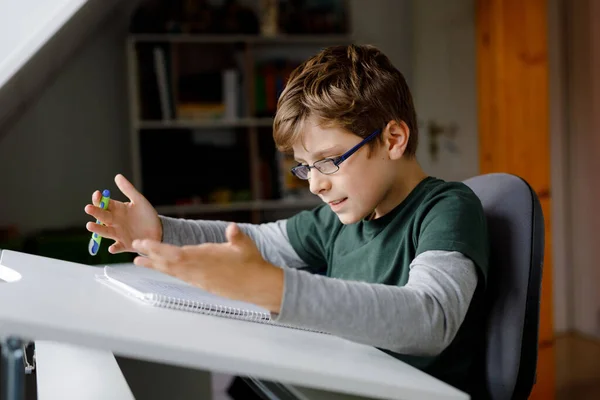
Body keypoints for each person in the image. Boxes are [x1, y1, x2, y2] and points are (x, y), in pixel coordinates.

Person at [85, 44, 490, 396]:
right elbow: (256, 243)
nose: (314, 184)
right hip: (343, 383)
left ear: (393, 139)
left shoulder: (446, 209)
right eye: (303, 167)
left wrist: (278, 290)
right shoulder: (341, 220)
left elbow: (430, 318)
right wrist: (161, 231)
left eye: (328, 162)